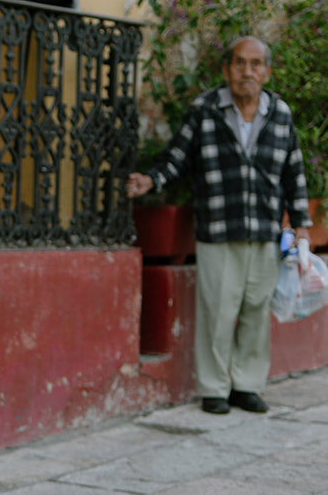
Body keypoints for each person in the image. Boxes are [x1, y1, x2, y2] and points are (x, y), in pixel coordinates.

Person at [126, 36, 313, 414]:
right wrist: (152, 180)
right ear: (227, 70)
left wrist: (303, 224)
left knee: (256, 309)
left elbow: (294, 172)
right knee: (216, 309)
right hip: (217, 227)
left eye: (256, 64)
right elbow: (177, 155)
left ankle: (246, 385)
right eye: (240, 63)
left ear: (266, 71)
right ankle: (213, 389)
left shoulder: (280, 113)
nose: (247, 71)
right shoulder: (206, 108)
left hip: (264, 230)